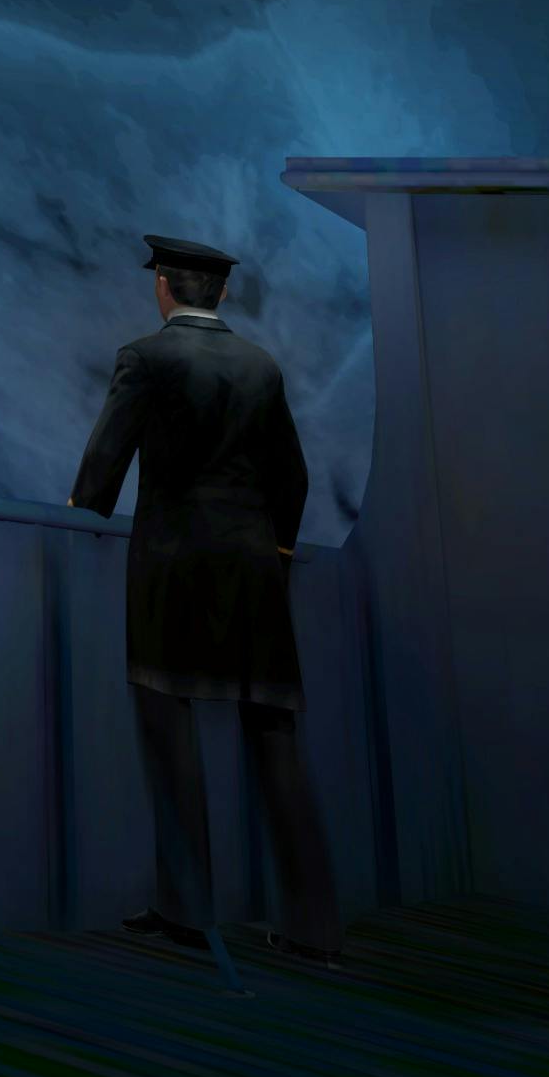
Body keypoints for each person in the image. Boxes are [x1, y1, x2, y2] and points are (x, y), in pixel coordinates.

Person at [66, 233, 342, 967]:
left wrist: (85, 504)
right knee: (276, 743)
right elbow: (293, 477)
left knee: (170, 736)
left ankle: (187, 910)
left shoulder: (145, 358)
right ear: (220, 294)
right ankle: (314, 927)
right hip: (253, 572)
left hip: (174, 570)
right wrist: (278, 554)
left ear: (162, 288)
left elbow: (105, 460)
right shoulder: (261, 366)